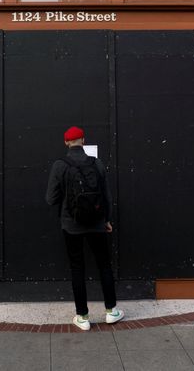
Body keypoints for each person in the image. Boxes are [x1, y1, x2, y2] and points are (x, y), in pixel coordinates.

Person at [45, 126, 125, 331]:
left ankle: (82, 317)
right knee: (104, 266)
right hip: (97, 224)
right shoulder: (96, 163)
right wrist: (107, 219)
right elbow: (107, 196)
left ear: (65, 143)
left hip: (71, 225)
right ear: (83, 140)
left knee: (77, 268)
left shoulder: (60, 165)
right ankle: (111, 311)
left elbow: (50, 199)